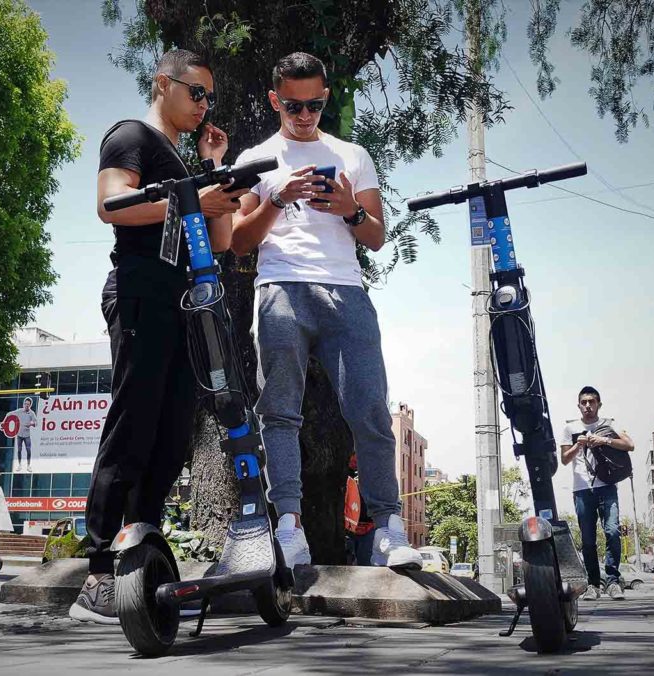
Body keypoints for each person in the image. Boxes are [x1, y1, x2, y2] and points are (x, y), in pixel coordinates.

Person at [70, 49, 246, 625]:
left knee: (173, 433)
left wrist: (212, 167)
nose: (204, 105)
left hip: (186, 305)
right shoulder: (132, 136)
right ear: (163, 84)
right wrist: (191, 195)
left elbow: (220, 240)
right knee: (133, 420)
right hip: (141, 290)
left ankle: (138, 548)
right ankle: (98, 569)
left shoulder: (185, 154)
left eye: (209, 97)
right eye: (196, 92)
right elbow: (111, 205)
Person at [232, 52, 421, 570]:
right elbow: (239, 243)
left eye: (314, 104)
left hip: (345, 290)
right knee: (280, 411)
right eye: (293, 105)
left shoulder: (353, 155)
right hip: (280, 290)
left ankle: (388, 528)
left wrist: (349, 209)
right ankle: (288, 527)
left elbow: (377, 236)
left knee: (371, 410)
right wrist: (277, 198)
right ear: (275, 100)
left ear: (325, 98)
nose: (304, 115)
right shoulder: (257, 158)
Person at [559, 386, 635, 601]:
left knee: (612, 531)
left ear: (599, 404)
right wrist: (578, 445)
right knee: (588, 539)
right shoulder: (570, 428)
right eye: (584, 402)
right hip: (582, 489)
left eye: (592, 402)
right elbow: (564, 459)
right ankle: (593, 584)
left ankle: (613, 581)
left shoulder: (609, 424)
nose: (588, 406)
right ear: (578, 405)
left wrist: (605, 440)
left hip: (607, 485)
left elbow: (629, 444)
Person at [10, 397, 38, 472]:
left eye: (28, 404)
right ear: (23, 404)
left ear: (30, 405)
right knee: (19, 450)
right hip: (19, 434)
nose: (26, 405)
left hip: (26, 435)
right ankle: (19, 465)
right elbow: (10, 414)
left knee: (28, 450)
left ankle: (28, 465)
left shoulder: (31, 413)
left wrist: (32, 423)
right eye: (25, 404)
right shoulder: (19, 411)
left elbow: (36, 423)